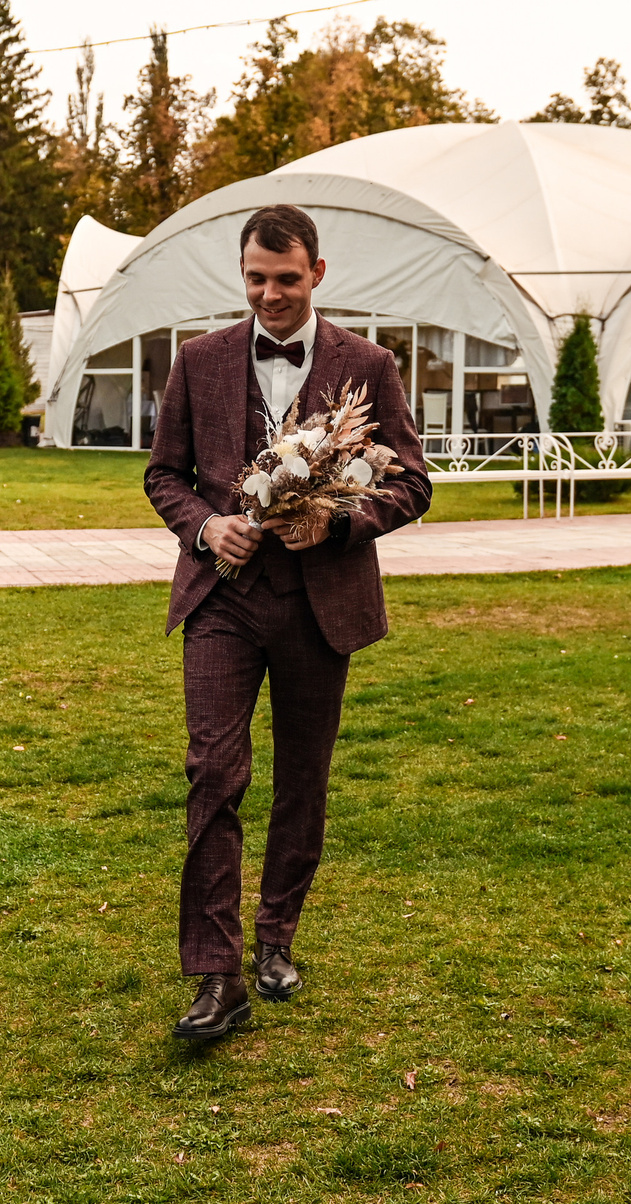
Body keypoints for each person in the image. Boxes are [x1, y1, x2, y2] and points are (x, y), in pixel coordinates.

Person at [143, 203, 431, 1041]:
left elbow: (411, 481)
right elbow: (164, 474)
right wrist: (204, 524)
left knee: (302, 780)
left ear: (318, 275)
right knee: (213, 774)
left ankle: (276, 941)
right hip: (222, 600)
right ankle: (214, 974)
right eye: (256, 279)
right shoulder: (198, 361)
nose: (269, 294)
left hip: (319, 606)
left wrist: (337, 523)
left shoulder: (369, 364)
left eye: (286, 279)